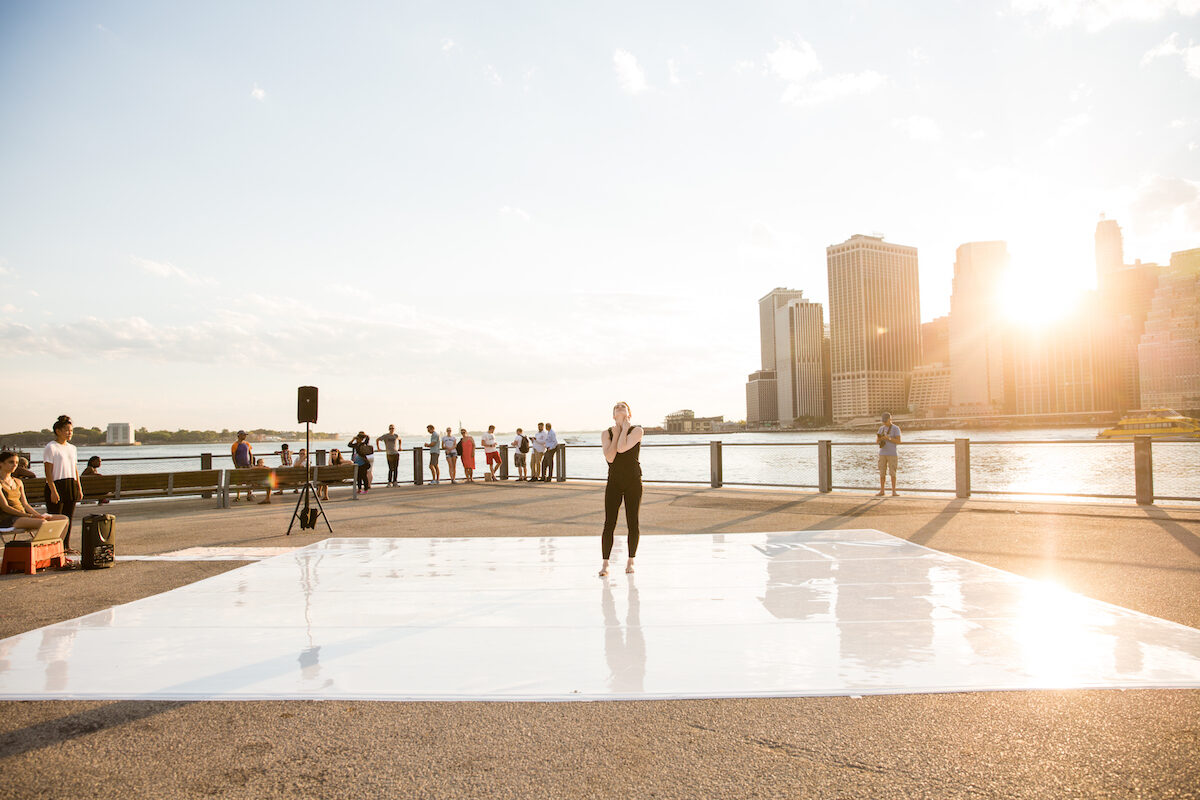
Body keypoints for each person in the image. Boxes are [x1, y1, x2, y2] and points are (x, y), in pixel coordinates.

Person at [598, 402, 643, 577]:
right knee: (609, 522)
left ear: (629, 414)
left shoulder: (637, 431)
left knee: (633, 521)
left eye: (623, 407)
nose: (620, 407)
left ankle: (631, 560)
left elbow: (623, 448)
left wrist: (623, 430)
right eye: (617, 407)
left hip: (633, 480)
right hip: (614, 481)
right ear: (613, 415)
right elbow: (610, 457)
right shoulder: (606, 433)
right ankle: (605, 563)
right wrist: (616, 434)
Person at [0, 451, 69, 542]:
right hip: (8, 518)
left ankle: (56, 547)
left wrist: (38, 515)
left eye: (16, 462)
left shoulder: (18, 482)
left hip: (23, 516)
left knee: (64, 519)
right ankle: (41, 548)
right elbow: (5, 507)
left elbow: (25, 504)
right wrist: (30, 516)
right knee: (43, 523)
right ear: (1, 463)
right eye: (11, 462)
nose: (14, 465)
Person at [43, 415, 83, 552]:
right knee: (56, 519)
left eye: (71, 430)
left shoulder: (72, 448)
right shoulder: (51, 447)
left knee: (68, 518)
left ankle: (66, 546)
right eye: (66, 430)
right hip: (56, 484)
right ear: (58, 431)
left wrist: (79, 487)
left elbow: (75, 468)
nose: (69, 433)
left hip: (70, 483)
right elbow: (48, 472)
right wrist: (53, 490)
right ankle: (54, 547)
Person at [875, 411, 902, 497]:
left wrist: (889, 438)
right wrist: (881, 439)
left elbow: (899, 441)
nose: (884, 423)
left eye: (885, 421)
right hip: (882, 453)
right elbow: (877, 441)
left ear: (890, 419)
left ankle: (894, 491)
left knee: (892, 472)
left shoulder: (896, 428)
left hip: (892, 453)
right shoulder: (881, 428)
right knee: (882, 472)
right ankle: (882, 491)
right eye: (883, 421)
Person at [230, 430, 255, 502]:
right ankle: (238, 496)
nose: (245, 436)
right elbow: (233, 456)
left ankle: (249, 495)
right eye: (243, 435)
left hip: (247, 464)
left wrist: (251, 463)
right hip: (239, 465)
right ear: (239, 436)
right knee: (239, 481)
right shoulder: (235, 445)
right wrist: (236, 465)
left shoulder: (247, 444)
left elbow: (250, 453)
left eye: (245, 435)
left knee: (248, 480)